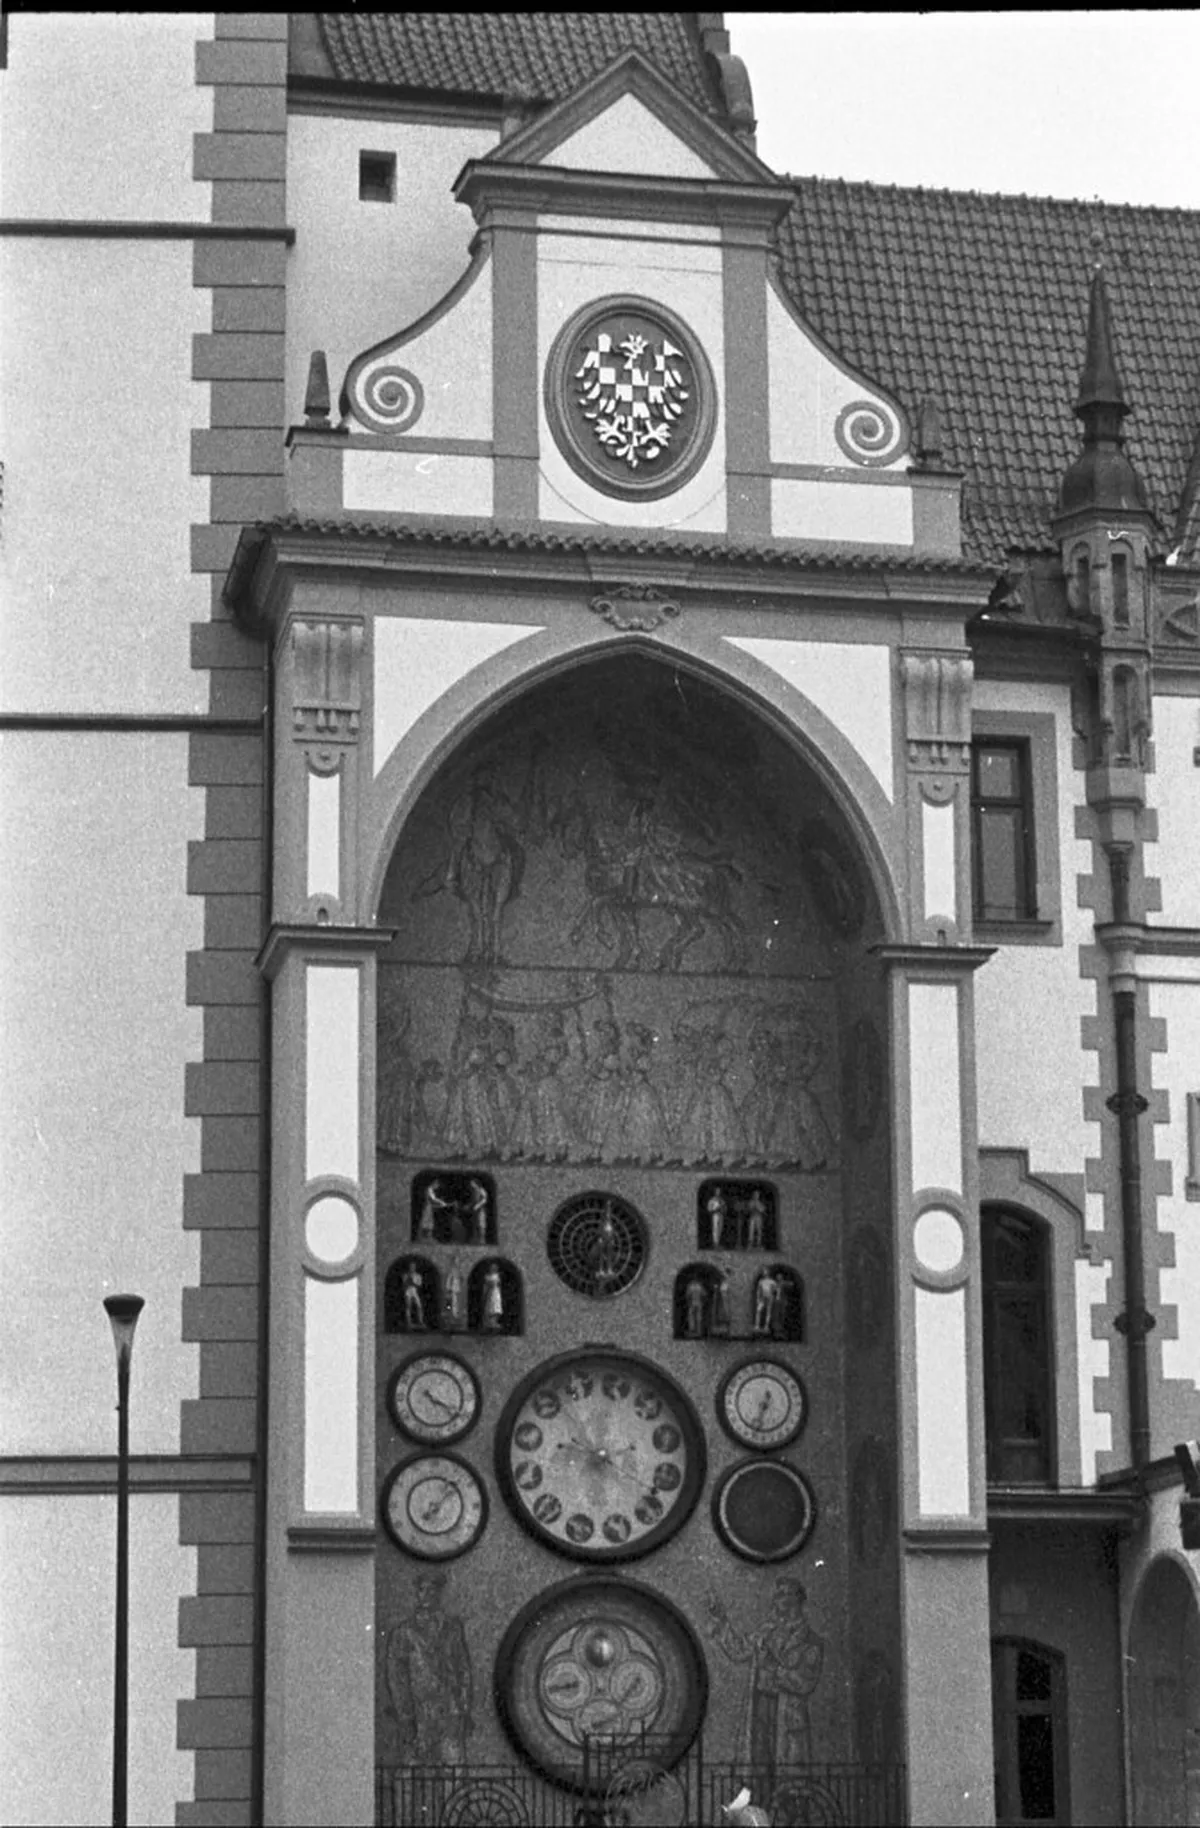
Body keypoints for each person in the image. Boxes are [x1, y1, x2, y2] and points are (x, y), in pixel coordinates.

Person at [707, 1579, 825, 1778]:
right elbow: (738, 1649)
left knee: (789, 1776)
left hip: (786, 1716)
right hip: (761, 1709)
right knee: (759, 1771)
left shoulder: (810, 1641)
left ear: (794, 1600)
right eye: (777, 1594)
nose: (776, 1599)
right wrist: (722, 1620)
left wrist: (775, 1670)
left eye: (782, 1594)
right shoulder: (767, 1631)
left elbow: (805, 1683)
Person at [385, 1572, 473, 1765]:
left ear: (439, 1594)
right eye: (422, 1590)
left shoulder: (453, 1628)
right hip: (418, 1712)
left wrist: (463, 1708)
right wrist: (405, 1714)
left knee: (454, 1768)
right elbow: (396, 1677)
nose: (426, 1595)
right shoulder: (404, 1632)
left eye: (431, 1590)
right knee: (412, 1770)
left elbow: (463, 1668)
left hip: (449, 1710)